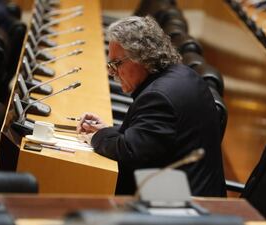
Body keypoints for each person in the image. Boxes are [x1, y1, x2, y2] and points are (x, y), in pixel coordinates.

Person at [77, 16, 226, 197]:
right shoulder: (182, 74)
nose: (111, 71)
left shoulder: (158, 98)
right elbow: (148, 139)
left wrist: (96, 137)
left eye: (116, 64)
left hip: (181, 207)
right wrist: (108, 131)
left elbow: (130, 152)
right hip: (186, 190)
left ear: (141, 58)